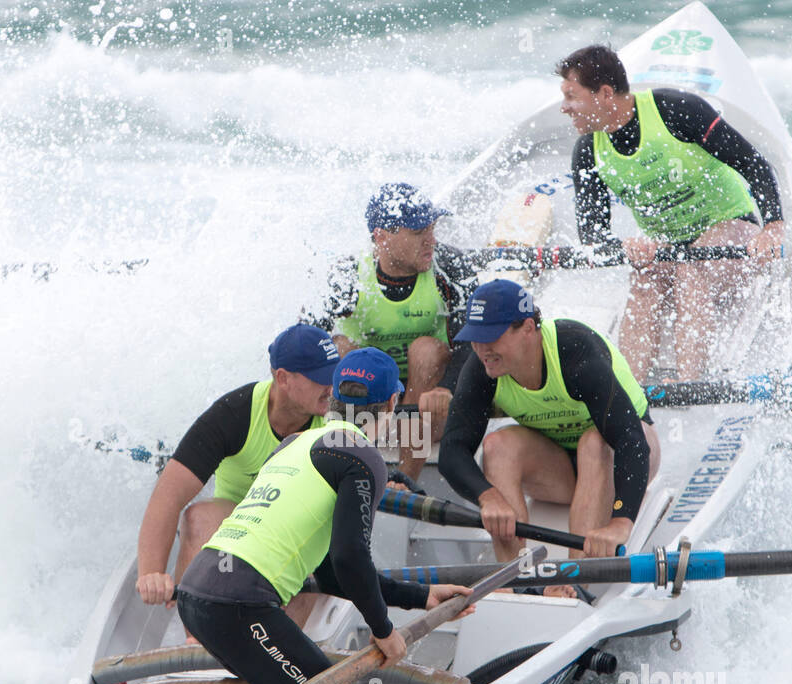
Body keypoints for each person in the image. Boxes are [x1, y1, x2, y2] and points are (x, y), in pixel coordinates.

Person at [176, 348, 473, 684]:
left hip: (194, 596)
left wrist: (421, 595)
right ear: (392, 403)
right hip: (239, 607)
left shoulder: (293, 443)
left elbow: (330, 572)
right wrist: (384, 631)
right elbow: (350, 557)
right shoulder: (362, 456)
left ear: (332, 399)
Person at [555, 44, 785, 382]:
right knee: (645, 276)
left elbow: (754, 163)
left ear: (605, 94)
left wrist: (774, 226)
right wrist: (624, 248)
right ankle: (630, 392)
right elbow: (592, 235)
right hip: (671, 247)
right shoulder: (588, 150)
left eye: (571, 97)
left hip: (732, 230)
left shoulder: (676, 110)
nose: (564, 108)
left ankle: (688, 384)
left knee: (691, 265)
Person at [439, 279, 661, 563]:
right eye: (476, 338)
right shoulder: (482, 367)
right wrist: (487, 497)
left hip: (626, 456)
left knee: (594, 442)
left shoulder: (575, 352)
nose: (482, 350)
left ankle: (576, 579)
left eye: (491, 337)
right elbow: (452, 450)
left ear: (528, 329)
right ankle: (517, 576)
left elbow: (631, 443)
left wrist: (621, 520)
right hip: (561, 473)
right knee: (497, 446)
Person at [134, 324, 339, 621]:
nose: (332, 388)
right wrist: (151, 573)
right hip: (238, 531)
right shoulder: (234, 415)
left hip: (299, 537)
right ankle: (199, 644)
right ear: (283, 378)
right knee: (197, 518)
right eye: (321, 379)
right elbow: (167, 497)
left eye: (334, 375)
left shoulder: (339, 415)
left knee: (311, 557)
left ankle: (274, 654)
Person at [301, 182, 480, 482]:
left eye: (432, 229)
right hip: (367, 401)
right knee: (340, 348)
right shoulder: (347, 276)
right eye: (419, 232)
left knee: (425, 349)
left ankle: (404, 480)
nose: (431, 241)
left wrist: (446, 387)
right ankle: (343, 465)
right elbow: (305, 344)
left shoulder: (450, 267)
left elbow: (471, 345)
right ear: (381, 237)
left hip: (425, 404)